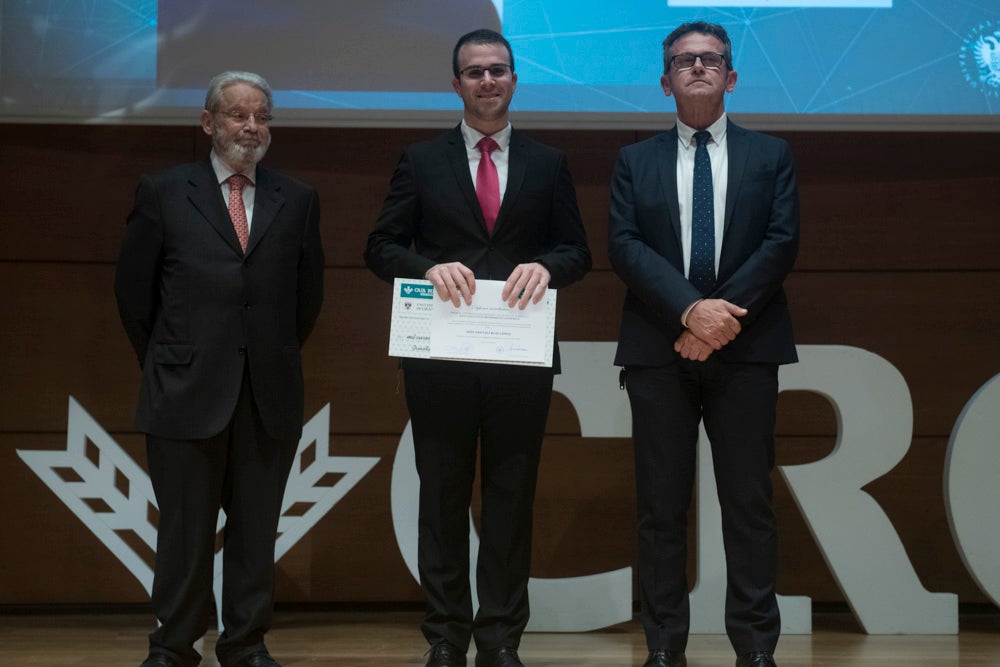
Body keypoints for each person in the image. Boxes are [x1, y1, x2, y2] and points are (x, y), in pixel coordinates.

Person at [365, 29, 591, 667]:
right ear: (456, 83)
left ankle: (500, 640)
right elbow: (380, 246)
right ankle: (444, 638)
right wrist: (425, 267)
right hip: (439, 358)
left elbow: (578, 251)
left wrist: (548, 267)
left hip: (520, 358)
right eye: (474, 72)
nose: (487, 81)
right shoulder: (420, 159)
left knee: (511, 502)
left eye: (498, 70)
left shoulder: (549, 163)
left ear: (515, 79)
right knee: (440, 500)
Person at [114, 71, 325, 667]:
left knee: (256, 531)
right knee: (183, 532)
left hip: (268, 393)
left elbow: (306, 301)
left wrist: (266, 356)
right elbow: (133, 296)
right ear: (208, 123)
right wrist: (170, 359)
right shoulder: (162, 192)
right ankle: (173, 645)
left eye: (262, 117)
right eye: (238, 115)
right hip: (183, 390)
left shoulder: (299, 199)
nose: (251, 127)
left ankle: (246, 644)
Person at [608, 22, 800, 667]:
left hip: (746, 352)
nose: (697, 68)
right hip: (660, 351)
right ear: (665, 82)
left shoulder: (771, 154)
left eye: (710, 59)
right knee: (661, 508)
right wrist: (691, 313)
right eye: (683, 61)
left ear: (732, 76)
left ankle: (755, 650)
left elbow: (781, 243)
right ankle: (664, 647)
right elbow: (625, 247)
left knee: (749, 504)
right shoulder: (634, 160)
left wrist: (718, 321)